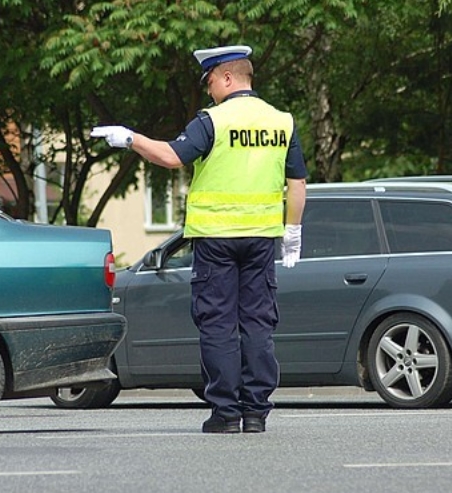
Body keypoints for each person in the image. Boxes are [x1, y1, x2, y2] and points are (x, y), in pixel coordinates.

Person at [91, 45, 307, 434]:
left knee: (219, 324)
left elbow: (173, 157)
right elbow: (297, 183)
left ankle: (225, 413)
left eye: (209, 81)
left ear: (226, 77)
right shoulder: (282, 122)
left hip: (216, 240)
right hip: (261, 239)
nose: (208, 90)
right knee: (257, 324)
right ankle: (256, 413)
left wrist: (131, 139)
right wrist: (293, 231)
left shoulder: (213, 120)